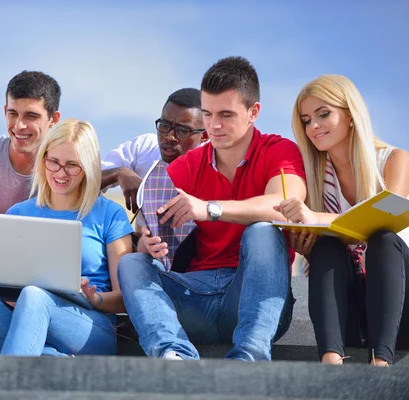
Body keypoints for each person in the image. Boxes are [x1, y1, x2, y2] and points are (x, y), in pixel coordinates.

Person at [118, 56, 307, 361]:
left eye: (226, 114)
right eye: (207, 114)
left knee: (262, 231)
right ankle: (173, 354)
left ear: (253, 112)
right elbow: (146, 217)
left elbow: (285, 206)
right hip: (195, 296)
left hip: (256, 298)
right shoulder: (188, 164)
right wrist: (146, 237)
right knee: (131, 264)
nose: (214, 125)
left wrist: (210, 209)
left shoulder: (279, 150)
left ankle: (250, 357)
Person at [0, 119, 133, 357]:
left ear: (87, 167)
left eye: (71, 165)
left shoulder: (110, 214)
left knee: (36, 296)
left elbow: (124, 299)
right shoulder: (18, 213)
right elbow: (4, 284)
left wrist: (93, 298)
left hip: (89, 326)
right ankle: (52, 359)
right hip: (25, 316)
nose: (60, 173)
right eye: (53, 162)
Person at [276, 74, 409, 366]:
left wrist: (317, 218)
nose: (313, 127)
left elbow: (384, 220)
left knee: (384, 240)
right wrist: (307, 245)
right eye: (306, 119)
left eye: (323, 114)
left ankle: (381, 364)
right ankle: (331, 362)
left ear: (350, 114)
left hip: (399, 307)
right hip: (351, 305)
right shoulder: (315, 179)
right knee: (326, 248)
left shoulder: (395, 160)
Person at [101, 88, 207, 214]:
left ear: (205, 136)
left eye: (183, 130)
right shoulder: (144, 148)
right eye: (165, 125)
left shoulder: (220, 165)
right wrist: (118, 173)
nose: (169, 137)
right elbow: (80, 182)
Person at [0, 70, 61, 214]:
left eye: (31, 116)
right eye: (13, 114)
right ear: (5, 111)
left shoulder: (63, 169)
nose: (19, 125)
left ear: (53, 119)